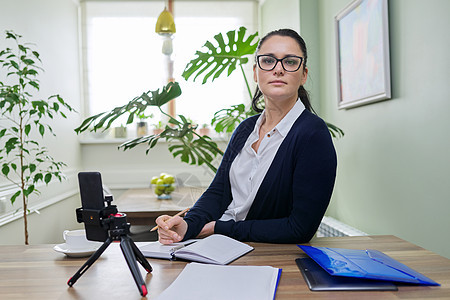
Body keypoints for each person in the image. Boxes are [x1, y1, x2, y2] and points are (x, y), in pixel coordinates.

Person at [156, 28, 337, 244]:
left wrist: (220, 228)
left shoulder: (313, 134)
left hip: (266, 256)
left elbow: (299, 228)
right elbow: (219, 191)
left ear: (303, 75)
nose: (278, 69)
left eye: (289, 62)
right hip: (221, 247)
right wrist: (188, 224)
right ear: (255, 72)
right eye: (268, 60)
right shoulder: (245, 129)